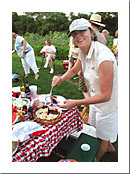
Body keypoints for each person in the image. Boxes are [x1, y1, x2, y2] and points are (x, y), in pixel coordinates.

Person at [51, 18, 118, 162]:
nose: (78, 36)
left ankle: (96, 160)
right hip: (94, 100)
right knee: (95, 128)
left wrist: (76, 102)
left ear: (91, 33)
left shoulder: (103, 57)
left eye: (82, 31)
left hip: (107, 105)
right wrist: (60, 78)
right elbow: (74, 69)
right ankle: (108, 146)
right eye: (74, 34)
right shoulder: (83, 51)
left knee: (102, 135)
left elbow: (106, 95)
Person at [78, 14, 107, 100]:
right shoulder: (103, 38)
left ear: (90, 23)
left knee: (84, 87)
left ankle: (88, 103)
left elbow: (84, 53)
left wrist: (80, 69)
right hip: (100, 66)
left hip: (89, 65)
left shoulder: (88, 36)